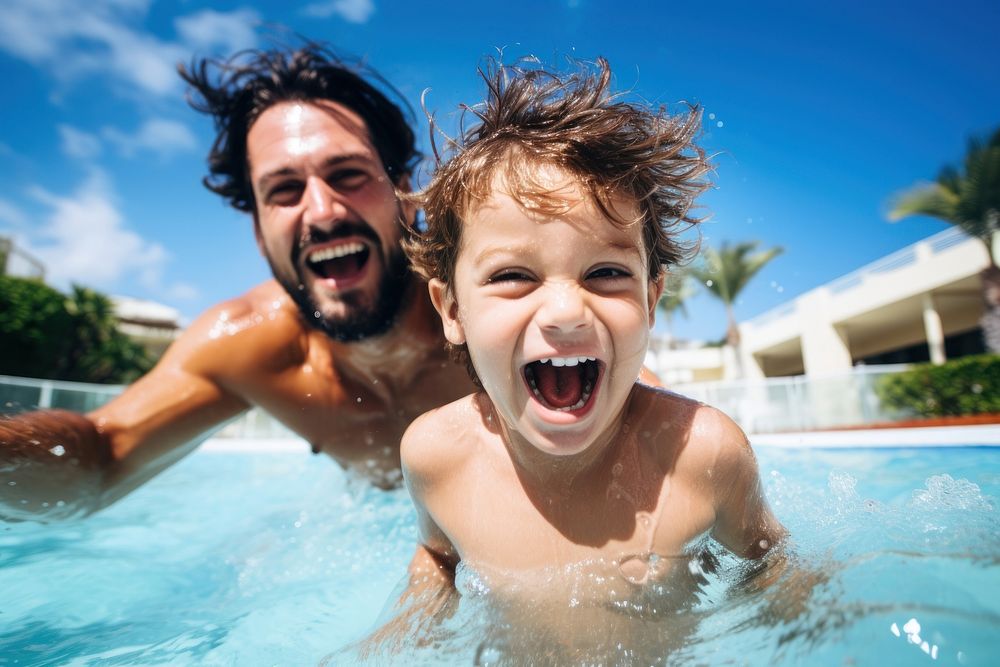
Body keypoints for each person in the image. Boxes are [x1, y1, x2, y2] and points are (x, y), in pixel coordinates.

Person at [382, 56, 788, 660]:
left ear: (651, 300)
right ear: (452, 311)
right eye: (514, 275)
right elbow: (438, 555)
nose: (566, 311)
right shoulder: (436, 455)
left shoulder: (704, 456)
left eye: (605, 272)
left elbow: (772, 568)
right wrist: (410, 627)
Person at [0, 44, 476, 520]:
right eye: (284, 190)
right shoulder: (251, 346)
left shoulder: (484, 314)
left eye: (348, 175)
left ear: (406, 194)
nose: (323, 211)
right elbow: (102, 459)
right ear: (259, 231)